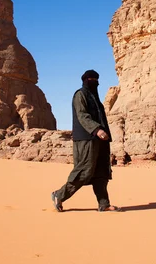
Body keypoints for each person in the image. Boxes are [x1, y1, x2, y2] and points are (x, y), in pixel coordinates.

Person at [51, 70, 121, 212]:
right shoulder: (80, 94)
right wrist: (96, 129)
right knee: (84, 171)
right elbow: (82, 115)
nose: (94, 81)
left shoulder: (95, 98)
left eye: (96, 79)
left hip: (100, 140)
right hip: (86, 139)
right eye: (91, 79)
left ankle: (104, 204)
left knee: (101, 172)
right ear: (85, 80)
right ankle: (59, 195)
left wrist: (104, 133)